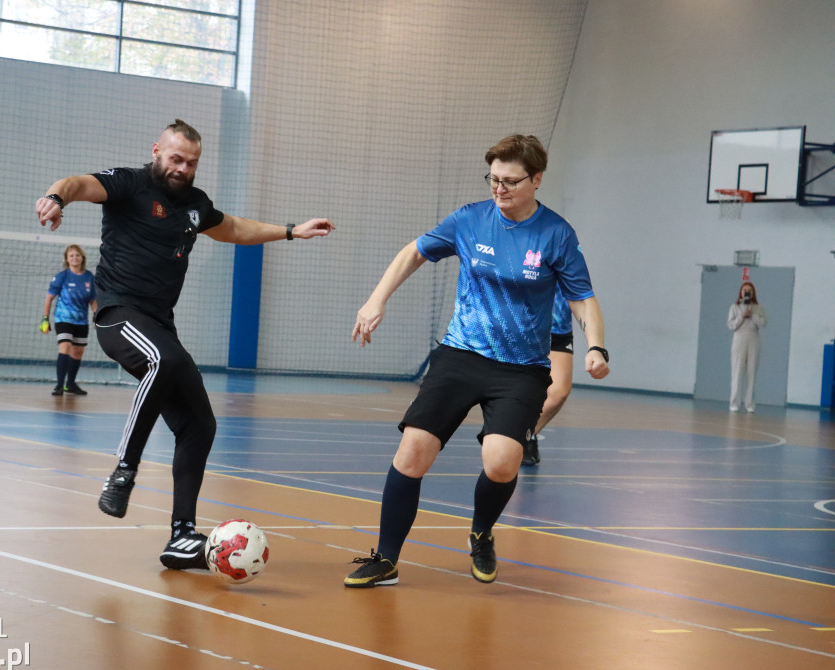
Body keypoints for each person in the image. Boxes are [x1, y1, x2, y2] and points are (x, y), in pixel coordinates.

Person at [35, 119, 335, 571]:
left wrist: (291, 230)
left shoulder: (195, 205)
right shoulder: (128, 184)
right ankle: (124, 471)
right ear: (157, 150)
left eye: (191, 163)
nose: (182, 168)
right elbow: (78, 183)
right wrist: (57, 198)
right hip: (118, 316)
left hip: (160, 324)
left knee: (200, 425)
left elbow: (234, 227)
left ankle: (180, 536)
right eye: (175, 158)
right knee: (166, 358)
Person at [345, 134, 609, 588]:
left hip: (522, 369)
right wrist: (376, 300)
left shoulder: (556, 234)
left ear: (537, 179)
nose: (499, 188)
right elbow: (413, 252)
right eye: (493, 178)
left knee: (502, 462)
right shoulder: (468, 220)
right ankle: (386, 558)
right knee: (413, 450)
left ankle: (482, 532)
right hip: (460, 356)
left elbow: (582, 298)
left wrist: (596, 346)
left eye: (510, 181)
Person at [522, 285, 574, 466]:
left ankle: (525, 436)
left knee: (559, 392)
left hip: (558, 329)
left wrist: (595, 345)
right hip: (523, 324)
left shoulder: (573, 255)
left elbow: (581, 293)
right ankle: (512, 439)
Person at [41, 244, 97, 396]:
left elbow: (93, 300)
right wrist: (45, 318)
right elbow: (49, 298)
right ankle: (59, 385)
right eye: (71, 255)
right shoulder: (62, 276)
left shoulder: (89, 277)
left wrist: (96, 316)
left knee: (78, 352)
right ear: (66, 259)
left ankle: (70, 384)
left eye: (77, 255)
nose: (75, 258)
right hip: (63, 319)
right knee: (65, 347)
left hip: (81, 321)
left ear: (82, 258)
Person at [728, 281, 766, 412]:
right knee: (737, 372)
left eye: (749, 290)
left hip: (753, 339)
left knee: (751, 372)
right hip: (739, 339)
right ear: (741, 292)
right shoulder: (735, 307)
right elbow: (731, 325)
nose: (747, 292)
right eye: (744, 290)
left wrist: (752, 315)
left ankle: (749, 404)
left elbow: (762, 323)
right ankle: (734, 403)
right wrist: (741, 316)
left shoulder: (758, 307)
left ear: (753, 292)